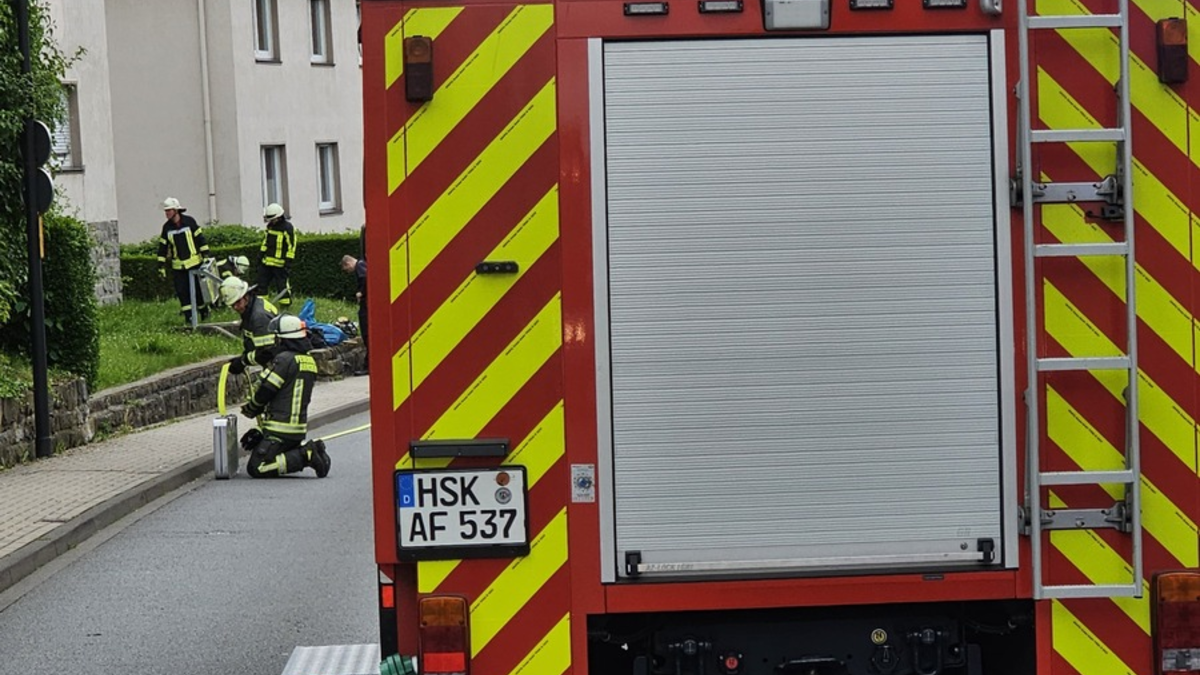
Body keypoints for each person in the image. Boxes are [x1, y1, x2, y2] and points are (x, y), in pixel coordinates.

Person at [239, 314, 331, 478]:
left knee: (257, 467)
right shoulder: (308, 361)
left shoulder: (285, 360)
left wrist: (251, 408)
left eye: (277, 338)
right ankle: (308, 451)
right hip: (295, 429)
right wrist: (260, 430)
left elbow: (267, 390)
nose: (276, 342)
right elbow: (287, 398)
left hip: (280, 430)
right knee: (268, 454)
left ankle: (305, 455)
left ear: (284, 339)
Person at [156, 197, 211, 324]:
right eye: (166, 211)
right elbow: (162, 248)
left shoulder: (189, 222)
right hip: (178, 267)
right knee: (182, 292)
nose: (167, 213)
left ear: (176, 210)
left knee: (198, 291)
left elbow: (200, 239)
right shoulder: (166, 228)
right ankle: (189, 317)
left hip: (195, 263)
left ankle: (204, 312)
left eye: (169, 211)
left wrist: (206, 255)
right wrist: (161, 266)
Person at [220, 276, 278, 374]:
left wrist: (243, 361)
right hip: (278, 364)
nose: (236, 307)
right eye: (232, 305)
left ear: (246, 296)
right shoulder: (253, 307)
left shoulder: (259, 317)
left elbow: (267, 353)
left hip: (281, 367)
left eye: (238, 302)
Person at [257, 203, 296, 309]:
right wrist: (260, 254)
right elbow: (266, 241)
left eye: (273, 219)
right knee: (262, 283)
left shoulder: (287, 228)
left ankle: (285, 305)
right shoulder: (270, 227)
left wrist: (288, 261)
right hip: (267, 262)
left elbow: (291, 245)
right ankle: (261, 305)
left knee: (281, 285)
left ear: (279, 217)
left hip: (280, 263)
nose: (271, 221)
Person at [340, 254, 368, 376]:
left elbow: (365, 278)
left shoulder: (360, 266)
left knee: (367, 335)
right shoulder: (363, 264)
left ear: (348, 263)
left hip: (366, 306)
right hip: (367, 305)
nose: (349, 272)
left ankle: (368, 366)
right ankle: (368, 365)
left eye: (347, 269)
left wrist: (360, 292)